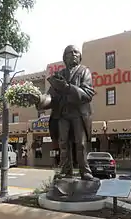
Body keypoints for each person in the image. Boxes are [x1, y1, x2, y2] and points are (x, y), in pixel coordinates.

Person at [30, 45, 96, 180]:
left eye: (76, 52)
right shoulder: (59, 75)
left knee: (81, 144)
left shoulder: (84, 72)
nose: (74, 54)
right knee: (63, 143)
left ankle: (85, 171)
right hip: (62, 115)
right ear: (65, 57)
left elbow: (88, 94)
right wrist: (39, 99)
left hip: (79, 114)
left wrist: (67, 88)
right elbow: (51, 98)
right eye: (70, 53)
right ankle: (66, 170)